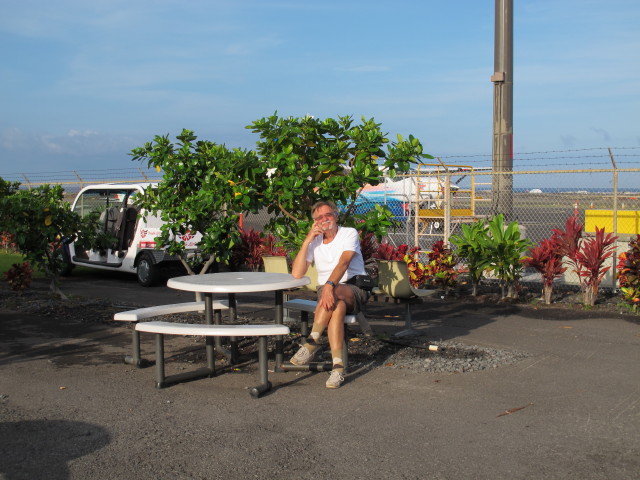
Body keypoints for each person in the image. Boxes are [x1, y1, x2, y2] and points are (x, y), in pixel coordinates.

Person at [289, 200, 369, 388]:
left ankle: (311, 342)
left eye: (328, 215)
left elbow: (344, 262)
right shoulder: (315, 241)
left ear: (336, 215)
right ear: (314, 222)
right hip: (330, 294)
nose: (325, 219)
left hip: (352, 288)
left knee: (335, 294)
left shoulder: (348, 233)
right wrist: (308, 239)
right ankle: (338, 368)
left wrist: (328, 285)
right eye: (319, 218)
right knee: (337, 307)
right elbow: (297, 273)